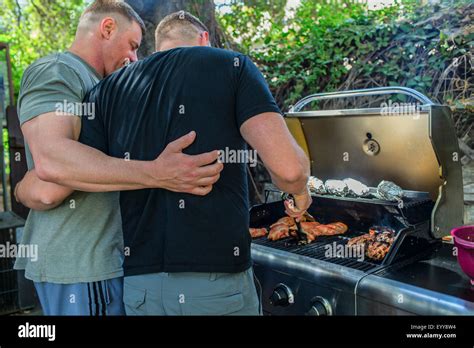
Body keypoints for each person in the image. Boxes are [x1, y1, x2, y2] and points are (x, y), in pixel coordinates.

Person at [79, 11, 312, 315]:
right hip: (215, 289)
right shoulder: (231, 66)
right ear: (205, 39)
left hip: (139, 290)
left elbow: (85, 172)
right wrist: (301, 193)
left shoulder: (105, 90)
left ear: (157, 44)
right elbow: (289, 170)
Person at [14, 1, 223, 316]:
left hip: (108, 263)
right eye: (133, 46)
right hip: (84, 266)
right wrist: (157, 173)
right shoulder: (59, 70)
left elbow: (42, 182)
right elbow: (53, 165)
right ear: (107, 28)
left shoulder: (103, 86)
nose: (135, 58)